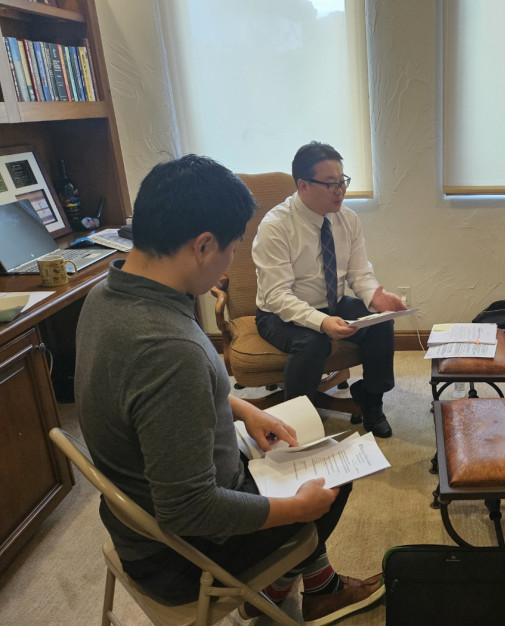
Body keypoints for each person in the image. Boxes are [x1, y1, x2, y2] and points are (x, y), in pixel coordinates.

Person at [75, 155, 384, 624]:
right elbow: (190, 511)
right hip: (180, 557)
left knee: (301, 441)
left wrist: (242, 408)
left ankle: (309, 586)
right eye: (233, 250)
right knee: (335, 478)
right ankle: (295, 587)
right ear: (203, 245)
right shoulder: (170, 350)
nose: (229, 266)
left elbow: (148, 398)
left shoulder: (105, 295)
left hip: (137, 519)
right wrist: (295, 510)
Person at [253, 142, 406, 438]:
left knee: (379, 322)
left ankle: (371, 400)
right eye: (330, 184)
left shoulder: (347, 219)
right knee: (312, 342)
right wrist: (321, 322)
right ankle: (295, 423)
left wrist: (376, 297)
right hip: (278, 314)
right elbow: (277, 296)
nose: (340, 191)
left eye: (342, 182)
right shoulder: (276, 226)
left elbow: (359, 273)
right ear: (303, 185)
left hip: (331, 303)